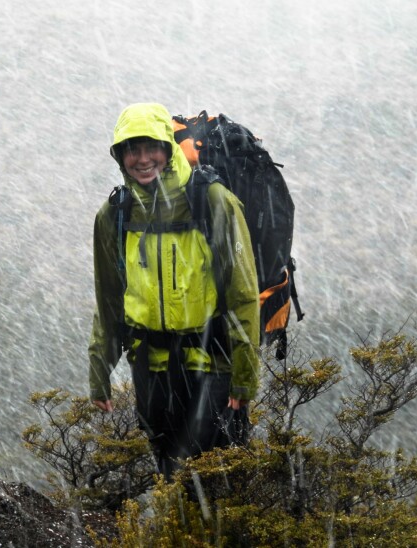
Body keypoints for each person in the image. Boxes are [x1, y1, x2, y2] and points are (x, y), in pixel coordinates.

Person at [88, 103, 260, 480]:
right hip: (151, 368)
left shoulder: (211, 200)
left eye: (152, 146)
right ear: (120, 156)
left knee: (211, 476)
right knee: (169, 472)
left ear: (168, 147)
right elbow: (109, 299)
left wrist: (245, 375)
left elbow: (243, 294)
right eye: (131, 149)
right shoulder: (116, 213)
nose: (143, 158)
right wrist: (99, 370)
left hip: (212, 362)